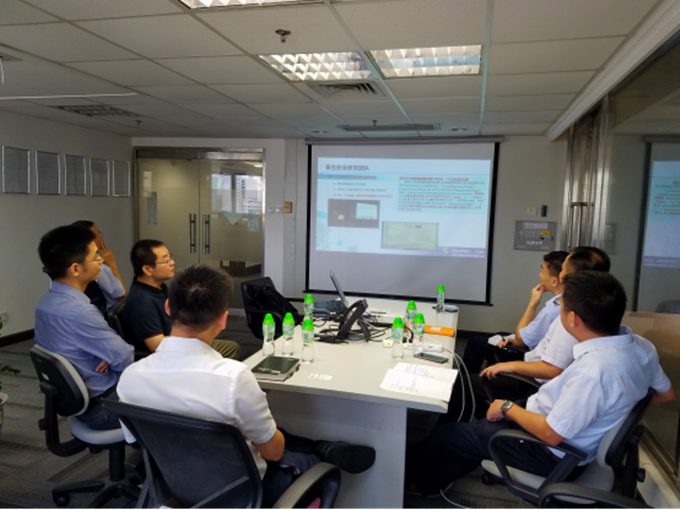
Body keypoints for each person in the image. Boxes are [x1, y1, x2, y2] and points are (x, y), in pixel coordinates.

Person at [117, 265, 376, 507]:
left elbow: (139, 441)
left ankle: (321, 446)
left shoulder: (130, 378)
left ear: (167, 308)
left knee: (256, 429)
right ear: (223, 319)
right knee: (296, 456)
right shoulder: (233, 378)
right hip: (246, 494)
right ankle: (319, 451)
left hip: (174, 487)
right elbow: (273, 453)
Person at [408, 271, 675, 497]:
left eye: (562, 308)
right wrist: (613, 412)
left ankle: (417, 486)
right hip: (546, 421)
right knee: (474, 429)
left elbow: (551, 434)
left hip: (548, 453)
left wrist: (508, 408)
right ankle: (440, 470)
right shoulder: (642, 347)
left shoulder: (594, 371)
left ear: (573, 318)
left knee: (447, 436)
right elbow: (666, 394)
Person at [447, 246, 611, 422]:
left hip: (532, 382)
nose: (560, 273)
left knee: (463, 383)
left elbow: (548, 365)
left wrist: (511, 366)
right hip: (535, 369)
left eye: (563, 269)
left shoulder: (568, 319)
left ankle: (459, 421)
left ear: (565, 278)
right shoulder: (592, 315)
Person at [34, 225, 134, 430]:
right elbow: (125, 357)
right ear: (75, 269)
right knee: (176, 404)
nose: (101, 261)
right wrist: (112, 355)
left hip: (78, 402)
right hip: (104, 407)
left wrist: (108, 354)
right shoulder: (80, 312)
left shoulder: (45, 304)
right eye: (96, 256)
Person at [123, 239, 240, 358]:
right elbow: (156, 345)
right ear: (147, 269)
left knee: (229, 345)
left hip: (183, 337)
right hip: (175, 350)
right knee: (229, 349)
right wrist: (192, 339)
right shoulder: (141, 302)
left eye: (170, 257)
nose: (172, 262)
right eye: (166, 260)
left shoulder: (158, 288)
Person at [462, 251, 569, 373]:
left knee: (475, 343)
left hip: (529, 359)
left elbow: (520, 341)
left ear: (554, 281)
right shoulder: (566, 302)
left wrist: (532, 303)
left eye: (542, 271)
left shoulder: (551, 311)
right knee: (500, 334)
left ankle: (466, 381)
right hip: (538, 352)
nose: (539, 274)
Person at [72, 220, 127, 316]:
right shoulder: (99, 267)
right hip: (104, 316)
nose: (101, 238)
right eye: (98, 235)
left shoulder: (73, 262)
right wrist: (112, 265)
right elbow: (122, 296)